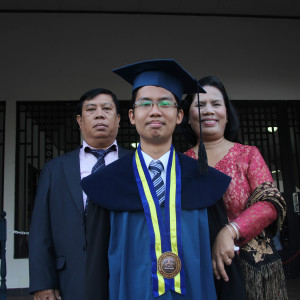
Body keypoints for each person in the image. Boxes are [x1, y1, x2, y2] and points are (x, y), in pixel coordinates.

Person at [82, 60, 246, 300]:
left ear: (179, 115)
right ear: (131, 115)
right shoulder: (106, 183)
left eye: (165, 103)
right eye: (145, 103)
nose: (155, 111)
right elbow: (96, 267)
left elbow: (223, 265)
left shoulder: (205, 181)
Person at [181, 75, 287, 299]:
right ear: (186, 117)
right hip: (194, 268)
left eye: (216, 104)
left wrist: (230, 231)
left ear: (227, 115)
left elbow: (270, 202)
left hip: (250, 269)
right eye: (200, 104)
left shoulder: (248, 154)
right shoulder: (178, 163)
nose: (209, 110)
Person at [29, 88, 131, 300]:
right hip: (72, 277)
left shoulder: (137, 163)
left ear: (119, 119)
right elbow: (40, 229)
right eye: (91, 109)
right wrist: (43, 282)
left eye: (107, 109)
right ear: (79, 120)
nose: (99, 114)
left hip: (129, 275)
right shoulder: (55, 169)